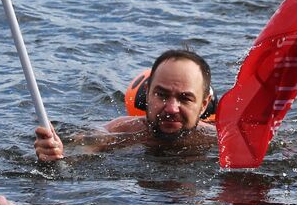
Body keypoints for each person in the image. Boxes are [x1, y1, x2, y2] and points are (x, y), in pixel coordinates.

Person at [34, 48, 216, 162]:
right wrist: (55, 154)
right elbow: (82, 150)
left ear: (203, 105)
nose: (171, 108)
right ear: (147, 93)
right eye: (161, 95)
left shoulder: (218, 140)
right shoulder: (121, 132)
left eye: (185, 98)